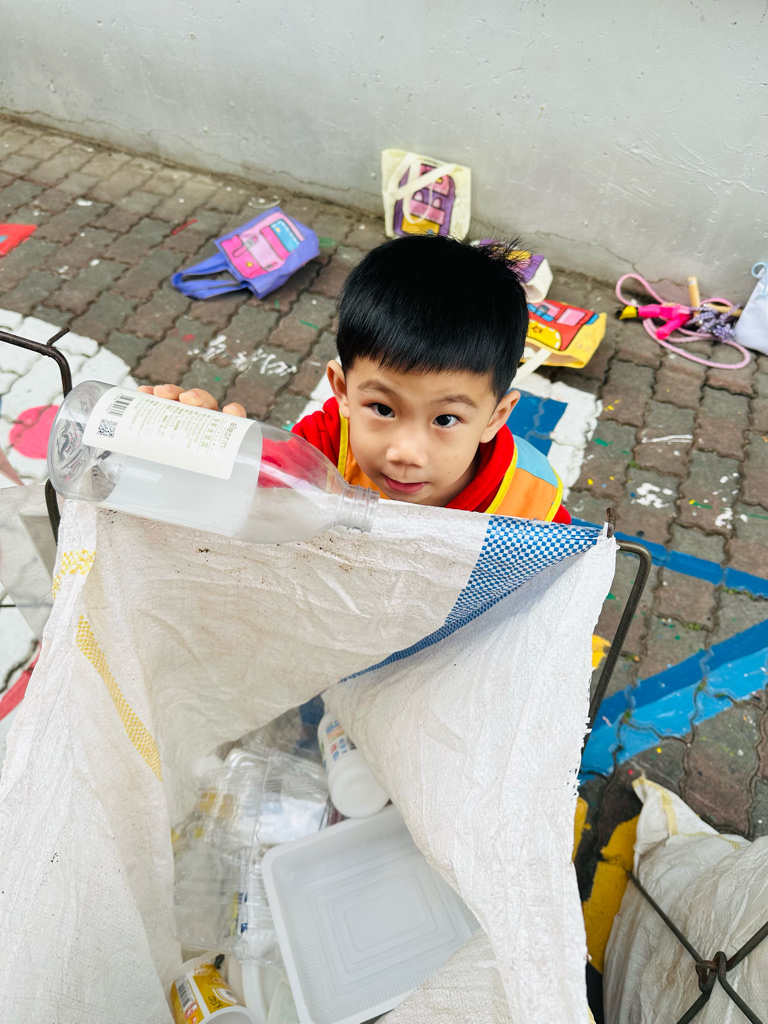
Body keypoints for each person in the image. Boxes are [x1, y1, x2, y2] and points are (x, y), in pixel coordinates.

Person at [140, 235, 570, 523]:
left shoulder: (532, 500)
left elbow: (560, 584)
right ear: (342, 390)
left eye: (445, 419)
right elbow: (256, 487)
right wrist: (203, 454)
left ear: (496, 416)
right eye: (382, 409)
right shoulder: (322, 448)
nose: (405, 453)